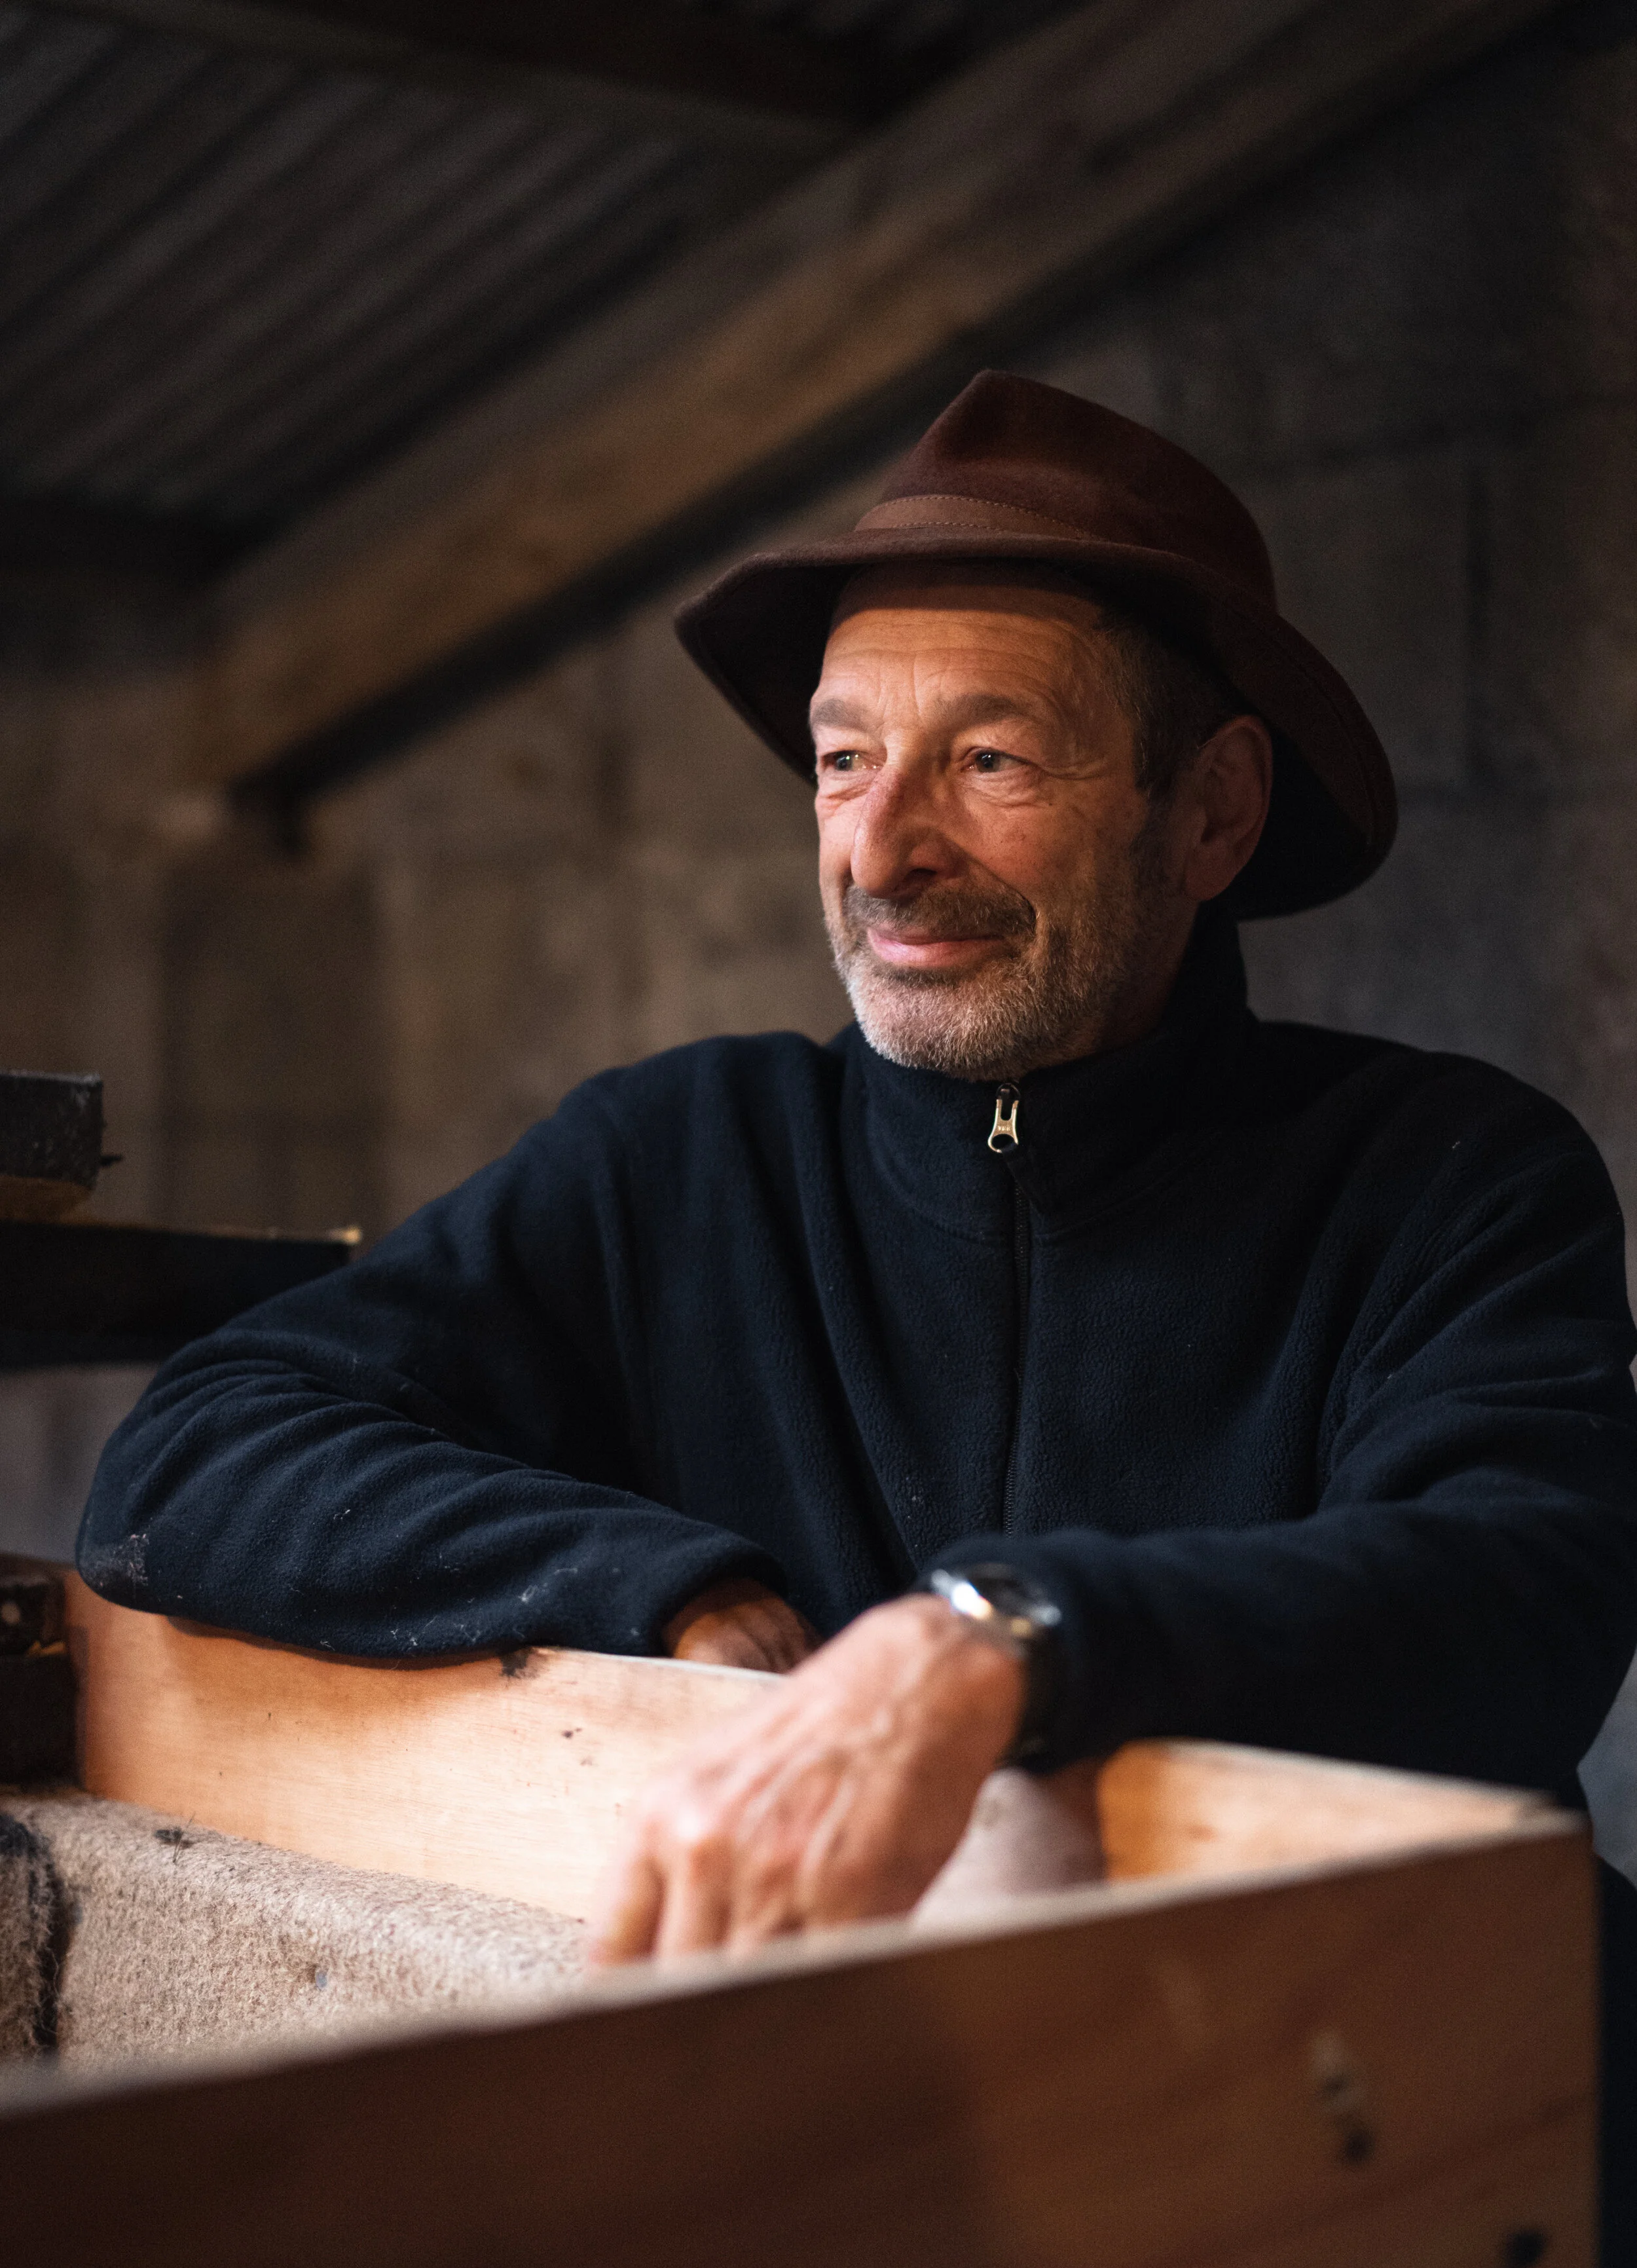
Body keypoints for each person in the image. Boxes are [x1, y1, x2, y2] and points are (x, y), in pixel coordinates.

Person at [79, 375, 1637, 1972]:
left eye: (988, 763)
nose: (881, 852)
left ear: (1211, 814)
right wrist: (670, 1590)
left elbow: (1519, 1600)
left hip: (1362, 2099)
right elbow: (191, 1461)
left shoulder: (1449, 1178)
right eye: (842, 761)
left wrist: (996, 1648)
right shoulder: (676, 1160)